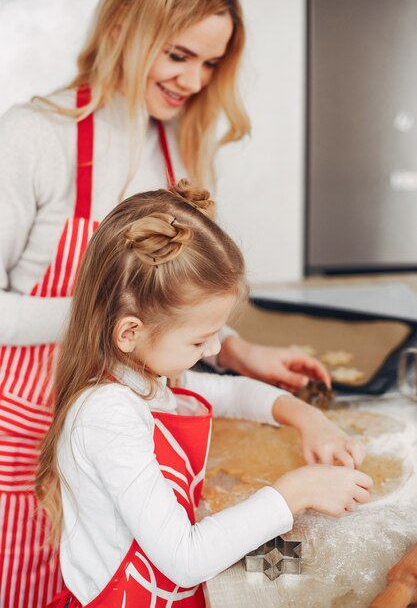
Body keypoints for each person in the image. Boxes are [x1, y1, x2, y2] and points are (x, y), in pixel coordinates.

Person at [0, 0, 330, 606]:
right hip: (24, 448)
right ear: (124, 22)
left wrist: (235, 350)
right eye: (179, 55)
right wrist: (104, 307)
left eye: (210, 64)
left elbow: (173, 307)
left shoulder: (179, 144)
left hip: (134, 438)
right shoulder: (36, 136)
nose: (195, 81)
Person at [35, 182, 372, 608]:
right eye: (200, 342)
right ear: (130, 332)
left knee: (298, 575)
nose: (215, 351)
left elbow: (232, 393)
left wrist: (308, 418)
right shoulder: (107, 413)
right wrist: (295, 493)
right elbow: (185, 557)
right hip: (138, 595)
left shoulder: (145, 375)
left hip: (173, 591)